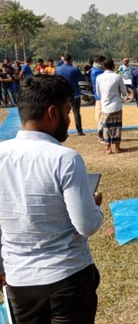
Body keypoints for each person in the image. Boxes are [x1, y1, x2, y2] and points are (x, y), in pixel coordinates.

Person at [0, 75, 104, 323]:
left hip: (19, 281)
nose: (69, 119)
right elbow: (86, 225)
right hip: (67, 278)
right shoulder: (64, 159)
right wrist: (94, 205)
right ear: (52, 113)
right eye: (67, 111)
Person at [96, 59, 128, 154]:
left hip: (105, 105)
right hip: (116, 105)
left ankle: (108, 148)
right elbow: (124, 91)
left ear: (103, 67)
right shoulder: (117, 77)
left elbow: (98, 92)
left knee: (106, 127)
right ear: (113, 66)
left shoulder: (99, 78)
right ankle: (117, 147)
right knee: (117, 126)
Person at [55, 53, 86, 136]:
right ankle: (79, 130)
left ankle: (64, 131)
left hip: (62, 94)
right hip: (75, 93)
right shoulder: (74, 69)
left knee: (63, 113)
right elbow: (82, 78)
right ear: (70, 60)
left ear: (63, 60)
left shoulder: (57, 69)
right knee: (76, 112)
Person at [91, 55, 106, 142]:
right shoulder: (97, 72)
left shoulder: (97, 70)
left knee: (102, 115)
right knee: (101, 116)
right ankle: (101, 135)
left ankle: (102, 134)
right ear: (99, 62)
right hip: (100, 96)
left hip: (100, 96)